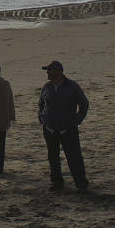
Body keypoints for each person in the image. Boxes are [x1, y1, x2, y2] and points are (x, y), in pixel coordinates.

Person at [37, 61, 90, 192]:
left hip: (67, 129)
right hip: (50, 128)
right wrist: (42, 118)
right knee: (53, 157)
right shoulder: (47, 87)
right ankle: (56, 182)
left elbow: (84, 104)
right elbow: (41, 104)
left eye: (50, 70)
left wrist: (76, 121)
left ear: (58, 71)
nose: (47, 73)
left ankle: (81, 183)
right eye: (47, 71)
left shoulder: (72, 86)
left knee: (74, 157)